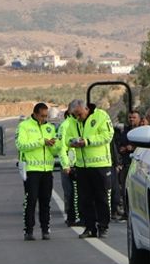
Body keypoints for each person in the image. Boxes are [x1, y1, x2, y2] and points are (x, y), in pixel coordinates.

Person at [63, 98, 114, 238]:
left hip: (100, 165)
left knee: (101, 198)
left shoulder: (101, 116)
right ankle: (90, 227)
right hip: (82, 166)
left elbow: (107, 135)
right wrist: (72, 142)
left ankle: (103, 226)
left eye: (79, 114)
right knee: (85, 199)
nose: (78, 117)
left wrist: (87, 141)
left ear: (86, 108)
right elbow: (66, 138)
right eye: (75, 115)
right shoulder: (73, 121)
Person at [16, 102, 61, 240]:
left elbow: (55, 150)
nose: (44, 118)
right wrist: (42, 142)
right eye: (42, 116)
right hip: (32, 170)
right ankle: (28, 230)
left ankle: (45, 229)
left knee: (45, 201)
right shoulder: (24, 126)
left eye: (46, 116)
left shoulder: (50, 127)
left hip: (47, 170)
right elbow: (21, 145)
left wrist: (55, 145)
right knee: (31, 201)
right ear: (35, 114)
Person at [57, 109, 80, 227]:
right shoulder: (65, 126)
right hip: (70, 166)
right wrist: (66, 165)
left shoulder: (80, 125)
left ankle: (79, 217)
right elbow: (61, 148)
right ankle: (72, 217)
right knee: (70, 192)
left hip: (80, 164)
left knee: (79, 193)